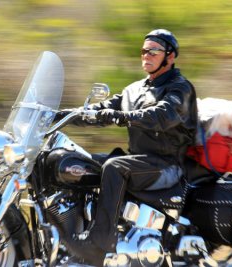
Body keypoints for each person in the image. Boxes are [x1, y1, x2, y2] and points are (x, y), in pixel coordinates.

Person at [62, 29, 198, 266]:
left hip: (166, 165)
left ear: (171, 56)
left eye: (154, 51)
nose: (147, 55)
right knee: (76, 162)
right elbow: (102, 109)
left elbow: (162, 115)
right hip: (140, 160)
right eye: (144, 50)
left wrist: (120, 116)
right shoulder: (134, 89)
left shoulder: (180, 88)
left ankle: (98, 244)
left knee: (115, 167)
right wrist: (61, 115)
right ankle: (71, 230)